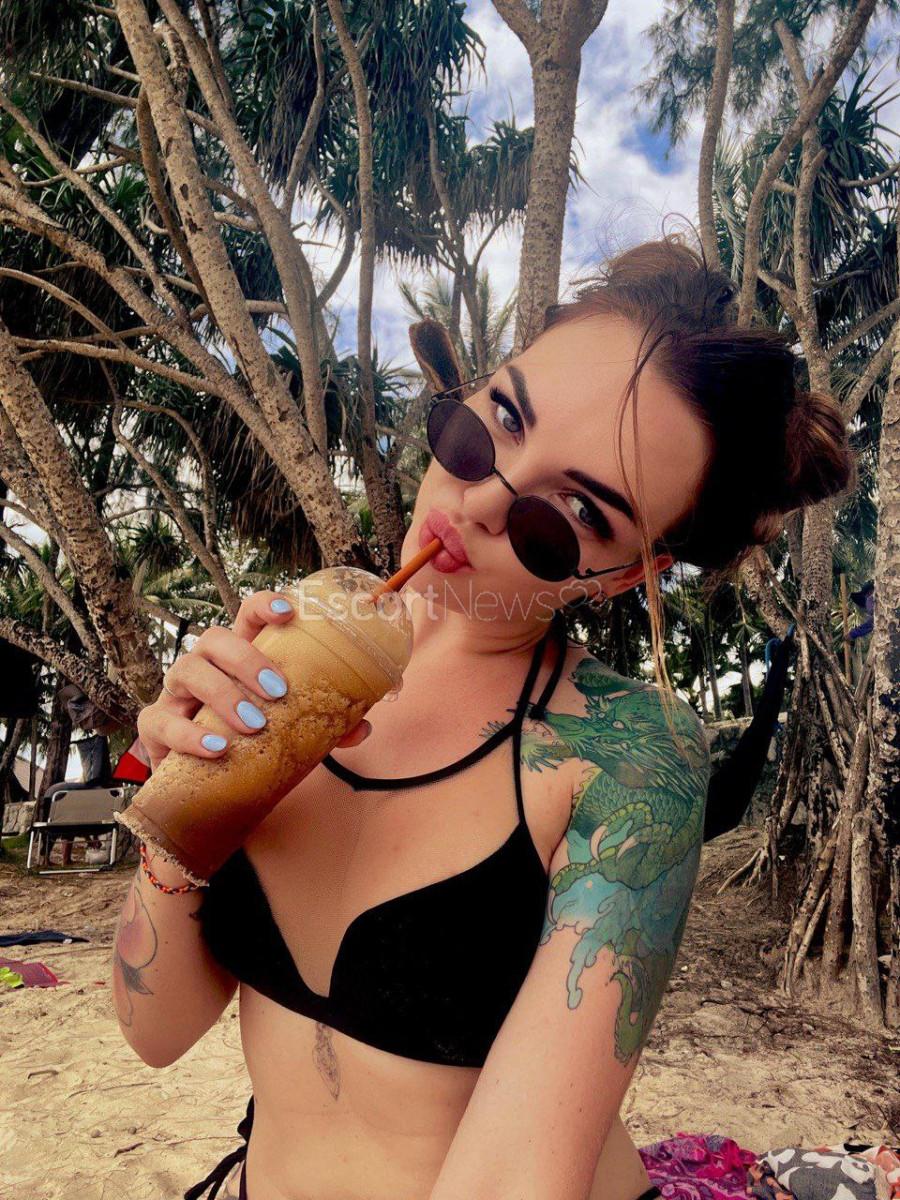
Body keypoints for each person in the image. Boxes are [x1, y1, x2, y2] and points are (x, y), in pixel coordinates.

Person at [111, 235, 854, 1200]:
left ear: (625, 574)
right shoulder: (299, 650)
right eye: (498, 420)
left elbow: (514, 1179)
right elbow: (156, 1031)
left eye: (575, 513)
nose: (480, 503)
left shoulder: (630, 753)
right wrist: (183, 814)